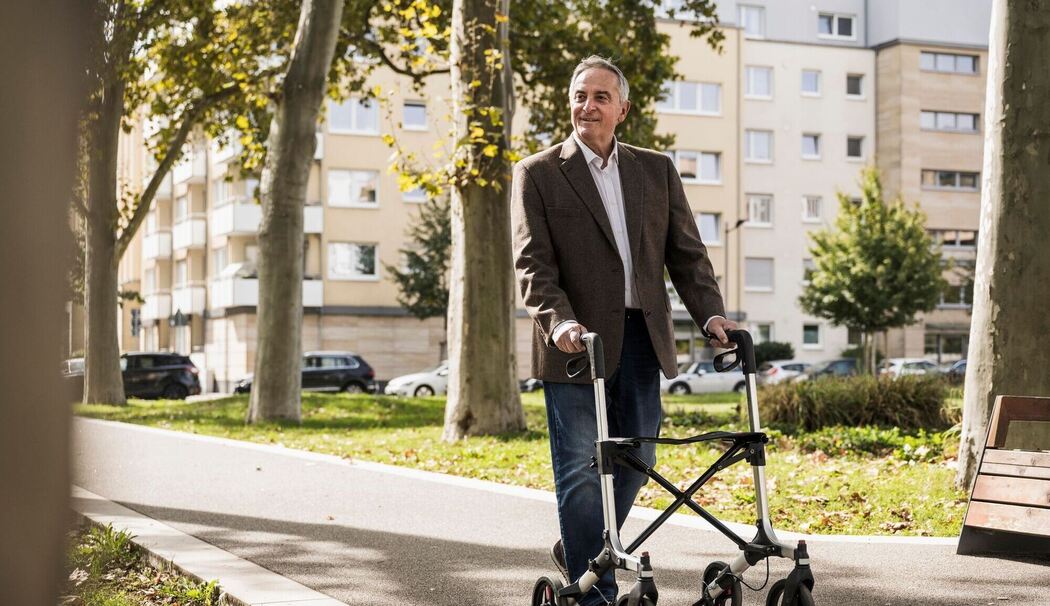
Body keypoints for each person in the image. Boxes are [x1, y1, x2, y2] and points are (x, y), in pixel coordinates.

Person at [511, 55, 737, 605]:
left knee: (640, 459)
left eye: (600, 97)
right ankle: (596, 594)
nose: (587, 106)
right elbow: (532, 263)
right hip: (575, 345)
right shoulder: (539, 172)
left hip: (642, 338)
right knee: (584, 466)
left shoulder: (654, 169)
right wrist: (558, 320)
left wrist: (710, 314)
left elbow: (686, 254)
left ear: (622, 109)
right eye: (579, 95)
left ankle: (583, 546)